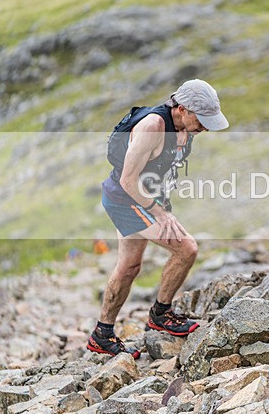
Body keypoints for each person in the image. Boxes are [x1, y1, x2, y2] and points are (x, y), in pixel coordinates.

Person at [87, 79, 229, 358]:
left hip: (145, 199)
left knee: (129, 266)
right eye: (202, 120)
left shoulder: (183, 127)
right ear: (183, 109)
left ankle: (101, 335)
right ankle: (160, 314)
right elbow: (128, 180)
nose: (205, 127)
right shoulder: (153, 127)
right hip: (126, 199)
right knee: (186, 249)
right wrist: (159, 211)